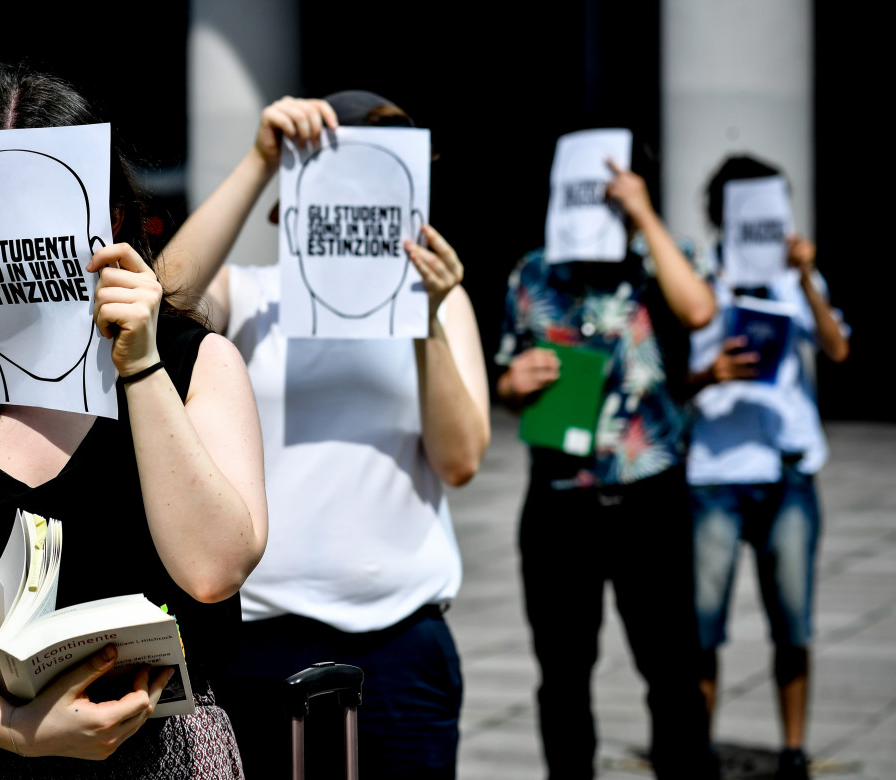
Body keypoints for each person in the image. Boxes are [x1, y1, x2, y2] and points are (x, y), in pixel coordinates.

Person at [0, 63, 268, 779]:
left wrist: (140, 367)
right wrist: (18, 730)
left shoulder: (196, 366)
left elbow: (213, 571)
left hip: (161, 755)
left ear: (113, 219)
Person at [157, 92, 490, 779]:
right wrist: (258, 160)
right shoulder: (249, 295)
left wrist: (423, 318)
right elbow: (166, 299)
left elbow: (460, 460)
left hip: (400, 642)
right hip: (258, 638)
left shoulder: (441, 300)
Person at [494, 136, 718, 779]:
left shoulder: (661, 262)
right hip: (561, 500)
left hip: (650, 496)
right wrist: (516, 383)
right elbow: (505, 381)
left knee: (672, 668)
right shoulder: (533, 271)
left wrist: (644, 216)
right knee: (563, 674)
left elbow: (699, 310)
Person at [686, 155, 849, 780]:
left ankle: (793, 750)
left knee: (794, 619)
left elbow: (837, 349)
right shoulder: (699, 275)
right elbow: (675, 377)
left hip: (787, 468)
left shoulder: (792, 277)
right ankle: (699, 748)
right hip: (716, 471)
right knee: (703, 628)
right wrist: (712, 372)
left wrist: (806, 278)